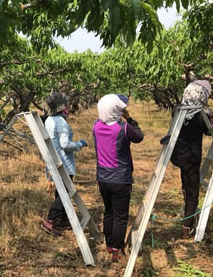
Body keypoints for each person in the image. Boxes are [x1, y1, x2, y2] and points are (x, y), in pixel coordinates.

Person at [92, 94, 144, 262]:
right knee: (120, 216)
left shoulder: (96, 126)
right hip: (120, 178)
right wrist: (129, 118)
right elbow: (139, 137)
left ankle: (109, 244)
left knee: (109, 211)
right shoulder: (123, 128)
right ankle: (117, 249)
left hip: (103, 178)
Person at [169, 80, 213, 238]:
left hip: (177, 155)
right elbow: (211, 132)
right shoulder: (201, 115)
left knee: (186, 184)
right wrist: (211, 116)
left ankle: (186, 209)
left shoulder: (177, 109)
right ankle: (187, 228)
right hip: (191, 157)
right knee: (193, 192)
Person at [40, 92, 87, 237]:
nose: (68, 107)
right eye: (66, 105)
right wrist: (79, 144)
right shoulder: (61, 122)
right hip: (63, 163)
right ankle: (51, 219)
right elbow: (65, 144)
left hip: (53, 161)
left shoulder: (49, 120)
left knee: (60, 190)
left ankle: (62, 219)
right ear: (62, 108)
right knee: (65, 192)